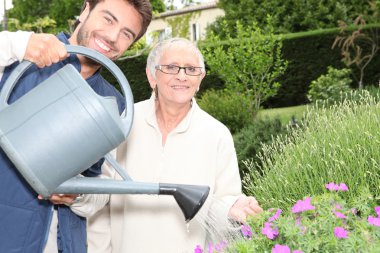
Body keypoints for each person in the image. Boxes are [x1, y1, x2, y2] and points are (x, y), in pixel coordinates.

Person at [0, 0, 152, 252]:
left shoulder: (116, 104)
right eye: (108, 18)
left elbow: (102, 185)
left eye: (127, 34)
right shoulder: (16, 61)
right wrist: (19, 44)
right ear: (85, 10)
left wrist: (78, 196)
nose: (113, 36)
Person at [87, 38, 263, 253]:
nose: (182, 76)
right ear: (152, 76)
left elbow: (223, 202)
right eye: (171, 67)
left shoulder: (217, 134)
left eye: (191, 69)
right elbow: (100, 196)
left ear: (200, 78)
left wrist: (233, 208)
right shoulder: (125, 122)